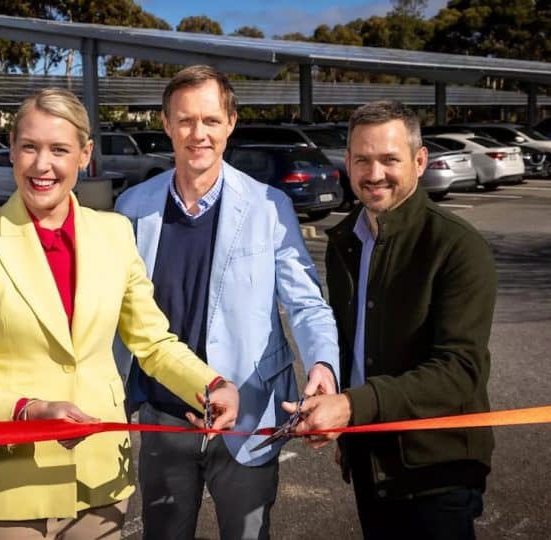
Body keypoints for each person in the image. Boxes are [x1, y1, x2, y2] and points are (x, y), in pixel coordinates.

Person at [0, 88, 239, 540]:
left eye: (59, 150)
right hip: (8, 482)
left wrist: (211, 386)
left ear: (85, 154)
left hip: (100, 478)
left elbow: (153, 343)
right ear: (11, 149)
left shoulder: (113, 233)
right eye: (29, 147)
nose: (41, 165)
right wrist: (28, 411)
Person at [113, 65, 340, 540]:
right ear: (166, 123)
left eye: (211, 120)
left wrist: (323, 363)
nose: (199, 134)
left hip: (252, 415)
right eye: (186, 120)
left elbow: (305, 304)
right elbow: (112, 313)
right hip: (164, 418)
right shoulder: (133, 207)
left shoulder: (268, 205)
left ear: (231, 122)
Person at [287, 100, 496, 540]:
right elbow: (353, 346)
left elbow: (460, 371)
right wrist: (343, 421)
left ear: (420, 161)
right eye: (362, 159)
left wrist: (350, 407)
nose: (374, 172)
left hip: (436, 473)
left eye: (389, 159)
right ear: (346, 163)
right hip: (370, 464)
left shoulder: (457, 247)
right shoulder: (347, 242)